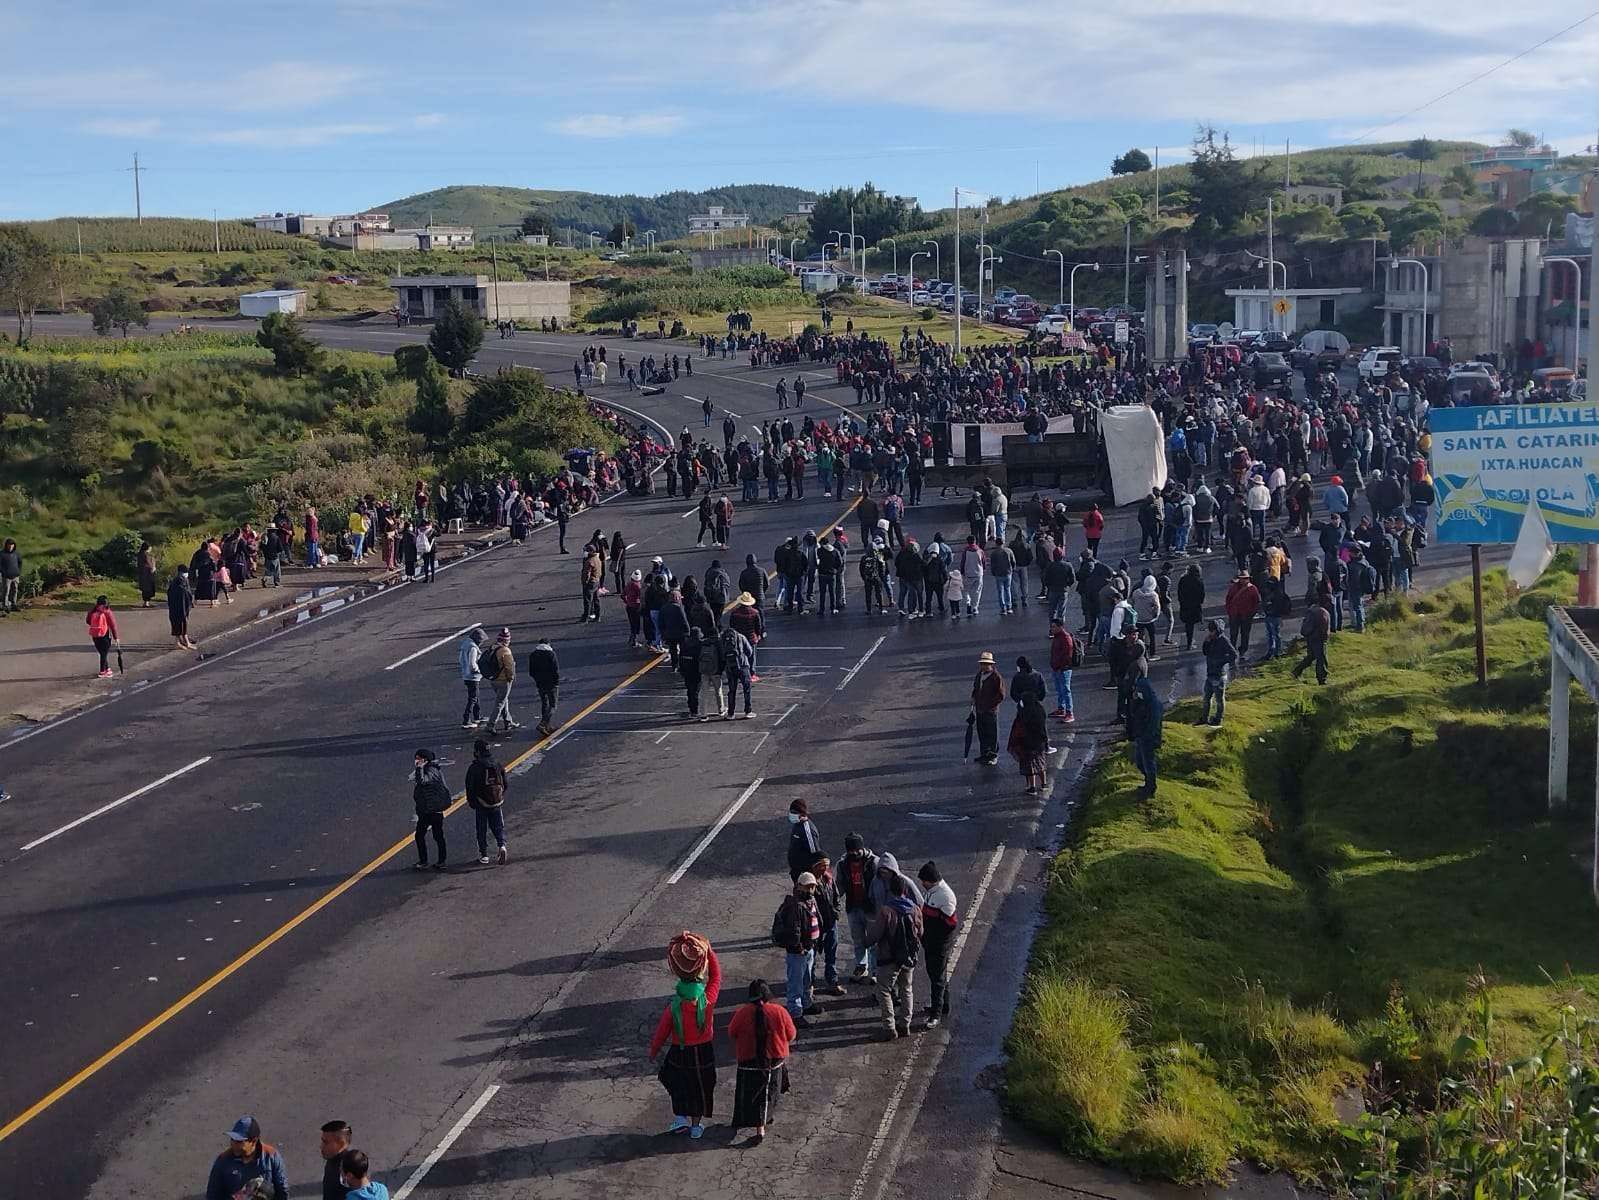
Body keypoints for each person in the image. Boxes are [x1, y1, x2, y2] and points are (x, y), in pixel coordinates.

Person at [648, 940, 722, 1140]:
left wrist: (653, 1052)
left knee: (676, 1082)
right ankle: (696, 1126)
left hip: (680, 1051)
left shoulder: (674, 1007)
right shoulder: (707, 1000)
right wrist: (708, 950)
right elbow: (716, 976)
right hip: (704, 1051)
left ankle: (680, 1117)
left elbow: (661, 1033)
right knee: (700, 1087)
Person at [728, 979, 797, 1144]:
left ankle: (752, 1122)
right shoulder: (779, 1011)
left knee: (750, 1094)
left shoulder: (742, 1013)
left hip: (748, 1062)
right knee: (770, 1092)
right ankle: (764, 1122)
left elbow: (732, 1033)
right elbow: (791, 1035)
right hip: (774, 1061)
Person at [862, 872, 923, 1041]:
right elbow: (921, 932)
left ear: (891, 891)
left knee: (884, 990)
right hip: (909, 958)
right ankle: (905, 1024)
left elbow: (875, 935)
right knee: (907, 989)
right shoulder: (915, 909)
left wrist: (865, 941)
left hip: (889, 958)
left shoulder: (886, 911)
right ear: (905, 890)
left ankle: (889, 1027)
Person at [772, 874, 821, 1026]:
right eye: (807, 886)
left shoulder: (810, 901)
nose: (810, 889)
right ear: (799, 886)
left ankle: (806, 1004)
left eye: (812, 886)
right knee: (796, 982)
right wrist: (798, 947)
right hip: (799, 952)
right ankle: (795, 1012)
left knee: (807, 979)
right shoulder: (796, 905)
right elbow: (795, 930)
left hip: (809, 948)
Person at [206, 1116, 288, 1200]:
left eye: (239, 1141)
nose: (233, 1144)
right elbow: (212, 1195)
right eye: (232, 1139)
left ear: (254, 1141)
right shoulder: (223, 1161)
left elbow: (282, 1192)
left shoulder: (271, 1157)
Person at [917, 862, 958, 1029]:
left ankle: (936, 1014)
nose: (922, 884)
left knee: (937, 979)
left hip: (938, 944)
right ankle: (943, 1006)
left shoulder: (945, 896)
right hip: (930, 941)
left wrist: (933, 935)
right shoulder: (932, 892)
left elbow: (950, 923)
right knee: (937, 975)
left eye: (923, 881)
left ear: (930, 881)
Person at [840, 834, 880, 984]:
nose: (854, 853)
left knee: (873, 941)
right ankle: (861, 966)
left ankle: (875, 971)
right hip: (853, 906)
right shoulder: (843, 864)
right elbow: (840, 885)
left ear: (861, 848)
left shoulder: (873, 862)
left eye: (856, 850)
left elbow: (880, 885)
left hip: (870, 908)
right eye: (851, 851)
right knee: (858, 940)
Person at [464, 738, 508, 865]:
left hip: (481, 802)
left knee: (481, 829)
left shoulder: (475, 767)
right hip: (496, 801)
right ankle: (502, 845)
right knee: (498, 825)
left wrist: (472, 802)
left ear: (477, 751)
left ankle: (484, 855)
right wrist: (500, 795)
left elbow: (470, 786)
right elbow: (505, 782)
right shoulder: (497, 763)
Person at [411, 748, 450, 871]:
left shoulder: (432, 771)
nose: (416, 760)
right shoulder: (432, 769)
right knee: (426, 835)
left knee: (435, 836)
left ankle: (435, 861)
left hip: (432, 810)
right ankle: (432, 861)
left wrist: (419, 768)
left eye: (418, 758)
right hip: (427, 809)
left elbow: (422, 781)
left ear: (424, 759)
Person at [1126, 676, 1164, 798]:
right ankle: (1148, 783)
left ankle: (1151, 787)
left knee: (1148, 763)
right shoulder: (1142, 702)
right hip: (1140, 736)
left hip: (1148, 738)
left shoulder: (1154, 705)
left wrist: (1148, 737)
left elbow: (1154, 724)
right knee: (1140, 762)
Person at [1200, 620, 1238, 726]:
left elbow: (1234, 655)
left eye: (1212, 631)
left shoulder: (1223, 640)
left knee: (1219, 699)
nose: (1210, 633)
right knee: (1206, 698)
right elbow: (1205, 652)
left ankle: (1218, 719)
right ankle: (1204, 718)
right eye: (1209, 630)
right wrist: (1206, 642)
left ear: (1217, 630)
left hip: (1219, 675)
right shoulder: (1210, 639)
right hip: (1210, 673)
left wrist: (1221, 661)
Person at [1011, 693, 1051, 795]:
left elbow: (1018, 727)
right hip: (1039, 744)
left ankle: (1032, 786)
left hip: (1026, 744)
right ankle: (1044, 784)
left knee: (1029, 766)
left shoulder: (1024, 714)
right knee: (1040, 763)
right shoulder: (1040, 712)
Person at [971, 651, 1006, 765]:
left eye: (986, 664)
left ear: (991, 664)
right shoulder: (979, 675)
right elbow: (976, 688)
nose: (984, 666)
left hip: (990, 710)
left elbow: (1001, 695)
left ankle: (993, 755)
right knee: (982, 732)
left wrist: (991, 705)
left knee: (992, 733)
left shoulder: (996, 677)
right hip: (980, 709)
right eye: (982, 664)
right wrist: (973, 698)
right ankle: (984, 753)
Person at [486, 627, 518, 733]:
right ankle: (491, 725)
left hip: (493, 679)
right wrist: (511, 678)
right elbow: (509, 667)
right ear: (506, 640)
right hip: (503, 680)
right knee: (500, 702)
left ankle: (508, 721)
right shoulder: (505, 651)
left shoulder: (492, 647)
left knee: (504, 700)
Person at [1292, 598, 1332, 685]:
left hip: (1311, 637)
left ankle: (1297, 671)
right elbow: (1324, 629)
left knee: (1311, 657)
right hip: (1319, 639)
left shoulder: (1312, 611)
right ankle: (1322, 679)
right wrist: (1326, 638)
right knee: (1321, 659)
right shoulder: (1323, 613)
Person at [721, 624, 756, 719]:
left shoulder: (723, 638)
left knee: (732, 690)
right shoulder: (741, 637)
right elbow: (749, 652)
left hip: (730, 667)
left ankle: (731, 713)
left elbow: (721, 654)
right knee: (746, 689)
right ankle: (748, 711)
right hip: (743, 665)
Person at [527, 635, 560, 735]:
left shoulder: (533, 654)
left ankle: (547, 725)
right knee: (553, 705)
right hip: (551, 683)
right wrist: (556, 682)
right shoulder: (551, 654)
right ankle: (543, 724)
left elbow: (531, 671)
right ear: (548, 644)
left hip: (540, 683)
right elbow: (555, 670)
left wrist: (537, 679)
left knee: (544, 703)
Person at [1224, 571, 1260, 656]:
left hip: (1246, 615)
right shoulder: (1233, 588)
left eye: (1245, 578)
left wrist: (1252, 613)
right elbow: (1228, 599)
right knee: (1233, 633)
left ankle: (1243, 649)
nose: (1244, 580)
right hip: (1234, 614)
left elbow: (1256, 602)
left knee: (1245, 633)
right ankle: (1232, 649)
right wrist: (1229, 611)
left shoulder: (1252, 588)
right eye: (1242, 578)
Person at [1048, 618, 1076, 721]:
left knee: (1066, 690)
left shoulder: (1065, 638)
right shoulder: (1057, 637)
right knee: (1060, 690)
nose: (1052, 629)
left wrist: (1060, 666)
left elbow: (1067, 656)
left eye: (1054, 627)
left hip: (1063, 669)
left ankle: (1069, 712)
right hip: (1057, 668)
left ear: (1060, 627)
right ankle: (1061, 708)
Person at [786, 799, 822, 882]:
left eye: (794, 813)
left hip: (805, 875)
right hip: (797, 872)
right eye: (791, 812)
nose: (791, 814)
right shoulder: (797, 825)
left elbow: (815, 854)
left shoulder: (808, 830)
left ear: (802, 813)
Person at [86, 594, 119, 678]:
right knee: (104, 653)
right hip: (105, 634)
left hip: (95, 635)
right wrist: (116, 637)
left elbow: (88, 621)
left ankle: (107, 668)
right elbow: (113, 625)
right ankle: (102, 671)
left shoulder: (92, 611)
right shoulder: (107, 612)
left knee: (101, 652)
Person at [319, 1120, 352, 1200]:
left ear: (341, 1143)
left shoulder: (349, 1169)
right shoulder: (332, 1159)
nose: (321, 1146)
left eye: (325, 1142)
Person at [458, 627, 485, 728]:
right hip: (472, 677)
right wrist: (480, 671)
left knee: (475, 696)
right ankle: (466, 719)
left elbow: (460, 659)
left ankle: (477, 716)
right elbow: (472, 664)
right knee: (473, 698)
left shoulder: (465, 645)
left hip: (466, 675)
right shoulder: (473, 648)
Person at [1176, 564, 1206, 650]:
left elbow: (1179, 592)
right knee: (1191, 624)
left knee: (1188, 624)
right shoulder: (1199, 581)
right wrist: (1200, 602)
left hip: (1185, 605)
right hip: (1195, 606)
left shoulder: (1183, 579)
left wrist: (1181, 601)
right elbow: (1202, 594)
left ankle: (1189, 641)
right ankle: (1190, 642)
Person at [167, 564, 196, 651]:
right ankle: (185, 642)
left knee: (177, 625)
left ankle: (178, 642)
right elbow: (187, 596)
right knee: (182, 625)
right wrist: (190, 603)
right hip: (181, 608)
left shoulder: (174, 582)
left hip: (174, 608)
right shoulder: (182, 583)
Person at [0, 538, 19, 613]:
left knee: (15, 590)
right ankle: (5, 606)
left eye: (12, 545)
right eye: (9, 545)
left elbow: (20, 562)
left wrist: (18, 571)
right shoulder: (2, 554)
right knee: (6, 592)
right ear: (6, 545)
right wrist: (4, 572)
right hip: (6, 577)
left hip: (16, 576)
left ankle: (14, 605)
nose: (10, 547)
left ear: (14, 546)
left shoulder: (16, 553)